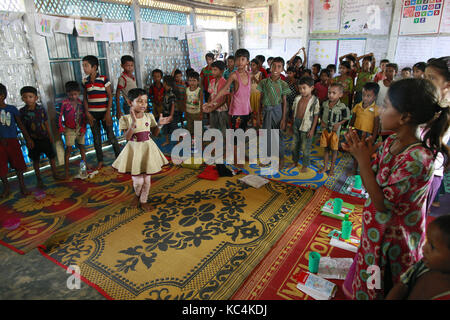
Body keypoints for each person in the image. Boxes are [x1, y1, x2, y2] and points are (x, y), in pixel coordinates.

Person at [342, 78, 450, 300]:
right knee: (370, 281)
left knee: (382, 286)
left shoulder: (418, 158)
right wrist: (362, 153)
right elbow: (373, 176)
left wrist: (362, 161)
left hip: (393, 244)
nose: (380, 111)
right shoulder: (392, 142)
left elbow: (382, 203)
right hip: (375, 234)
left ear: (405, 117)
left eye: (387, 105)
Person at [112, 88, 169, 211]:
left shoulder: (149, 116)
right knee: (138, 182)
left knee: (147, 181)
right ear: (129, 103)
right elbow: (126, 137)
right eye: (139, 101)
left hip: (148, 149)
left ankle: (143, 201)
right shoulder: (125, 119)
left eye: (145, 101)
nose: (143, 104)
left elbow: (154, 133)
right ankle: (137, 195)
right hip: (134, 151)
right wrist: (133, 124)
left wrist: (160, 124)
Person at [203, 48, 252, 168]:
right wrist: (212, 102)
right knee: (236, 137)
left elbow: (249, 93)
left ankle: (238, 155)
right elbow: (224, 90)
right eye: (238, 59)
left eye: (243, 59)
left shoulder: (248, 74)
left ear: (247, 61)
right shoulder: (234, 75)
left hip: (246, 111)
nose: (240, 62)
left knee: (242, 134)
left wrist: (252, 110)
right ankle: (236, 159)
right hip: (236, 112)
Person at [386, 215, 450, 300]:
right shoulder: (423, 266)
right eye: (427, 241)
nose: (424, 248)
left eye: (432, 247)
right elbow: (401, 286)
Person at [19, 86, 63, 188]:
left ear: (36, 98)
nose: (28, 99)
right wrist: (28, 139)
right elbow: (23, 127)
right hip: (33, 140)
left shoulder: (40, 109)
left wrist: (50, 135)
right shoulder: (22, 112)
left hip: (45, 138)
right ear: (22, 99)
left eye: (30, 96)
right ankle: (39, 179)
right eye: (25, 97)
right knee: (36, 160)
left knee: (51, 157)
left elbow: (46, 122)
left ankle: (55, 174)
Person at [82, 55, 121, 170]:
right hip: (92, 115)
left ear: (94, 67)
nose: (84, 68)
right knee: (96, 139)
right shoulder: (85, 81)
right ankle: (100, 161)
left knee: (111, 136)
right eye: (83, 66)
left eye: (86, 65)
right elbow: (85, 98)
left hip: (104, 114)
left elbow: (109, 96)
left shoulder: (104, 79)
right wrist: (88, 113)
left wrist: (108, 113)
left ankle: (119, 158)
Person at [423, 57, 450, 212]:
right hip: (417, 168)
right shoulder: (432, 104)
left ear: (447, 85)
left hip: (428, 173)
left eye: (431, 78)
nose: (425, 82)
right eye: (425, 77)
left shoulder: (443, 112)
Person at [257, 57, 291, 170]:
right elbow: (260, 100)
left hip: (277, 111)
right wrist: (258, 116)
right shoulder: (263, 82)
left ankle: (281, 159)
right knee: (266, 136)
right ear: (270, 67)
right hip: (266, 111)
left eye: (279, 66)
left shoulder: (283, 84)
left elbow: (285, 102)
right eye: (273, 66)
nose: (276, 69)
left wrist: (284, 119)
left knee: (278, 136)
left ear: (282, 69)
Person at [0, 83, 32, 197]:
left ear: (3, 95)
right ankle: (6, 188)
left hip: (12, 141)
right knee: (1, 166)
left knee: (18, 164)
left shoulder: (12, 109)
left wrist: (28, 139)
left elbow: (20, 125)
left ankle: (22, 186)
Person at [288, 76, 320, 172]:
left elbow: (316, 116)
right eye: (300, 88)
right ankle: (295, 161)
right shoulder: (297, 98)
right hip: (296, 123)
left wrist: (312, 129)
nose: (302, 90)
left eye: (304, 88)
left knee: (305, 147)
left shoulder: (315, 100)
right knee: (294, 145)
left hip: (307, 126)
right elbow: (294, 112)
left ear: (312, 88)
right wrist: (292, 125)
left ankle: (305, 165)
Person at [318, 83, 350, 176]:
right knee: (326, 149)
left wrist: (339, 124)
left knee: (334, 150)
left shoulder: (342, 106)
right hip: (325, 131)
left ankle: (332, 168)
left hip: (335, 132)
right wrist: (322, 122)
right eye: (329, 92)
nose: (330, 95)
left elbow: (347, 117)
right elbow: (320, 114)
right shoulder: (324, 104)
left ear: (340, 95)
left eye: (334, 93)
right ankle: (325, 167)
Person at [59, 81, 88, 179]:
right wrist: (61, 127)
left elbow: (84, 116)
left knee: (82, 148)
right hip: (69, 129)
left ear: (79, 93)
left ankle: (84, 169)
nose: (73, 96)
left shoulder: (80, 103)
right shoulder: (64, 103)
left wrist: (83, 127)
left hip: (80, 128)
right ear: (67, 93)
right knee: (69, 150)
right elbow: (60, 116)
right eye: (70, 94)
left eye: (75, 94)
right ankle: (66, 172)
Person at [349, 82, 380, 174]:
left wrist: (373, 137)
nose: (365, 98)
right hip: (357, 133)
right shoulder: (357, 106)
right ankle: (354, 170)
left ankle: (364, 172)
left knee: (366, 154)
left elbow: (376, 125)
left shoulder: (376, 109)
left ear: (374, 97)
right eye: (363, 95)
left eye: (368, 96)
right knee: (356, 152)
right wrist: (350, 130)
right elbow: (352, 119)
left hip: (367, 135)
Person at [203, 60, 229, 163]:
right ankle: (214, 147)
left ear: (222, 71)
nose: (212, 72)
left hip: (222, 110)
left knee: (223, 131)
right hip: (213, 109)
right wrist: (208, 105)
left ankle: (227, 150)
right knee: (213, 129)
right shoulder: (212, 81)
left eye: (215, 70)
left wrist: (212, 108)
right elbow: (210, 95)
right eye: (212, 70)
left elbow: (224, 100)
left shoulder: (224, 82)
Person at [377, 63, 398, 141]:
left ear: (395, 72)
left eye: (391, 71)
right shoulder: (380, 83)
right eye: (386, 71)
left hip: (390, 112)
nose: (388, 73)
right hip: (378, 110)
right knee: (375, 131)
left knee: (386, 134)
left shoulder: (397, 85)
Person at [115, 55, 136, 119]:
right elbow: (117, 93)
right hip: (128, 105)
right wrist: (118, 109)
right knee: (131, 123)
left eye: (131, 65)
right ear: (122, 66)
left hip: (135, 103)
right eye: (127, 65)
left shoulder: (132, 76)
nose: (130, 67)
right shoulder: (122, 78)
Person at [185, 71, 203, 139]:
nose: (192, 82)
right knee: (190, 128)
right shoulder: (186, 90)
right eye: (190, 80)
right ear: (188, 81)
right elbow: (185, 101)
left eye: (194, 80)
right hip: (189, 113)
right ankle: (192, 140)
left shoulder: (199, 91)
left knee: (198, 128)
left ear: (198, 82)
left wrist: (201, 113)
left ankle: (199, 140)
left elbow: (201, 103)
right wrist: (185, 112)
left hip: (197, 114)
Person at [161, 76, 177, 147]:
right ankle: (167, 141)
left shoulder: (171, 93)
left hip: (170, 114)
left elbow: (173, 105)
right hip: (165, 113)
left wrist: (171, 115)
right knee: (165, 128)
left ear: (165, 83)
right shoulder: (165, 91)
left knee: (174, 128)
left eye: (163, 82)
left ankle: (178, 142)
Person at [250, 59, 262, 128]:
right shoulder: (249, 73)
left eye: (253, 65)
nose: (252, 66)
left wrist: (254, 78)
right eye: (251, 65)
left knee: (257, 110)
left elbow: (260, 84)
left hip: (257, 94)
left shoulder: (259, 73)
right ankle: (252, 123)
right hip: (250, 93)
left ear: (257, 66)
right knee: (251, 110)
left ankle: (258, 124)